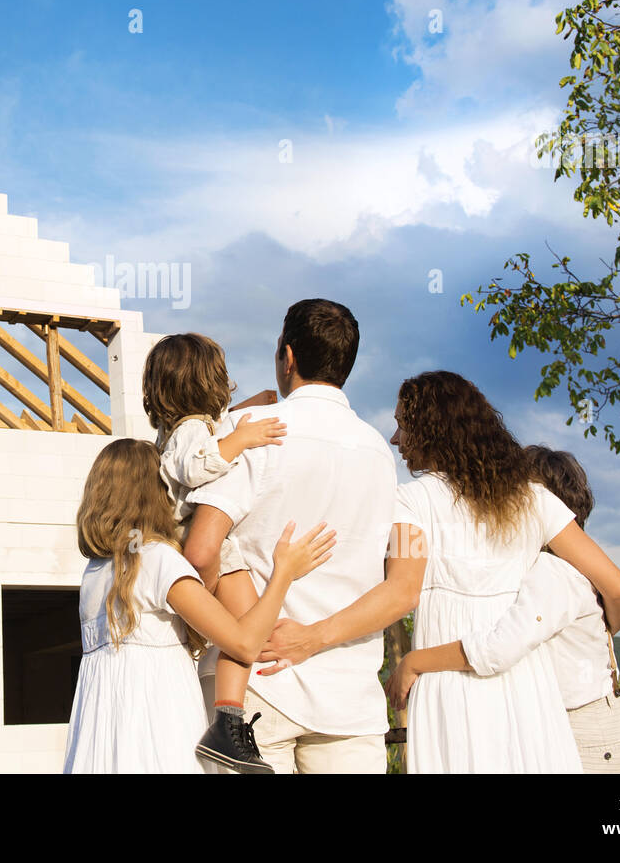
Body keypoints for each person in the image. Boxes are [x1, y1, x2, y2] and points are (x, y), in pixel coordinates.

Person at [184, 298, 400, 774]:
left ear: (288, 358)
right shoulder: (379, 454)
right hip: (348, 696)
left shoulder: (253, 432)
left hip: (254, 690)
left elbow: (201, 553)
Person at [381, 371, 620, 773]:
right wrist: (604, 635)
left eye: (402, 426)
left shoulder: (409, 504)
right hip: (528, 686)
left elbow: (400, 589)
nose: (396, 439)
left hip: (446, 683)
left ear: (430, 430)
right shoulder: (534, 500)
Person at [62, 438, 335, 774]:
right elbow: (245, 644)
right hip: (158, 730)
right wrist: (284, 573)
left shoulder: (95, 574)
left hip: (102, 739)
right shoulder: (156, 560)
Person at [142, 333, 288, 773]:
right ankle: (227, 723)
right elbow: (197, 463)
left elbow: (195, 446)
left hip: (192, 544)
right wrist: (241, 441)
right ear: (209, 382)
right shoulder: (192, 433)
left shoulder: (177, 431)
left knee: (243, 631)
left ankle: (227, 720)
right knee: (248, 631)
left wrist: (244, 416)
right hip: (213, 548)